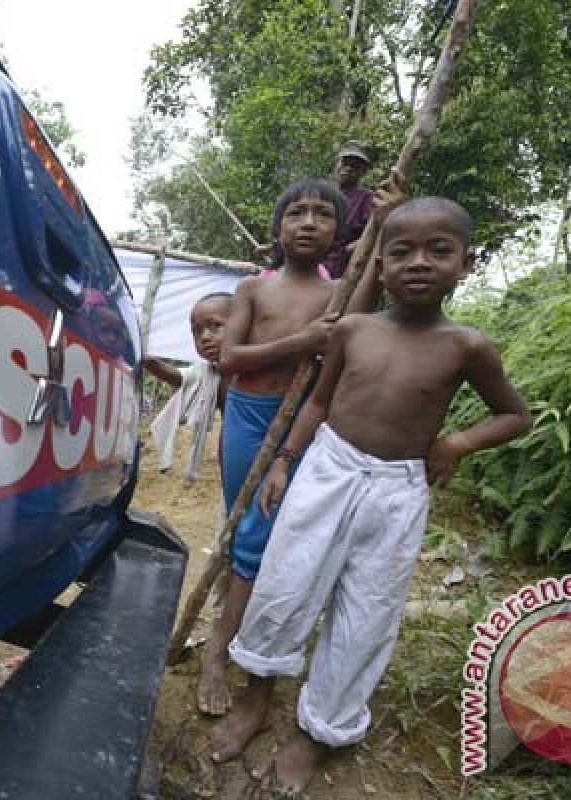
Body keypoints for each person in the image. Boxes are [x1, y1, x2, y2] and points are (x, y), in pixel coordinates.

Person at [214, 197, 531, 793]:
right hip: (328, 470)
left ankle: (318, 732)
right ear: (378, 263)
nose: (419, 263)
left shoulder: (467, 347)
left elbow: (516, 415)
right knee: (286, 582)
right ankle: (256, 698)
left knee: (367, 611)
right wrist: (285, 460)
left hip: (398, 489)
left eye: (439, 250)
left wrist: (457, 443)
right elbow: (319, 402)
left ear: (466, 263)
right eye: (401, 250)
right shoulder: (354, 329)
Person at [198, 175, 401, 724]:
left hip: (302, 427)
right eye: (297, 213)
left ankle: (236, 643)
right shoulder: (253, 290)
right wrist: (300, 342)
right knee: (242, 526)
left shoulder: (340, 290)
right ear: (279, 225)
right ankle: (221, 644)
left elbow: (353, 324)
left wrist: (383, 223)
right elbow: (231, 357)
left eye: (323, 215)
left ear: (339, 230)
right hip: (246, 414)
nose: (309, 223)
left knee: (270, 534)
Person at [143, 292, 232, 474]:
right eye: (196, 331)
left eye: (216, 326)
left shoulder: (262, 369)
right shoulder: (210, 372)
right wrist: (138, 354)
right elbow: (170, 373)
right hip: (231, 448)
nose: (205, 337)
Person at [323, 140, 376, 279]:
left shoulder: (367, 198)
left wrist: (356, 246)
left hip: (343, 273)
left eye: (355, 166)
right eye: (345, 163)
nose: (348, 168)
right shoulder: (322, 194)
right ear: (337, 164)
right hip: (313, 267)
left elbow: (377, 231)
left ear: (363, 171)